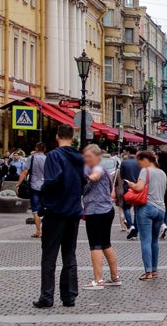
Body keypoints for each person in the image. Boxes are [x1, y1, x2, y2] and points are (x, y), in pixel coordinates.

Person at [33, 125, 85, 309]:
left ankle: (47, 296)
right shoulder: (79, 157)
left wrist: (43, 192)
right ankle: (69, 296)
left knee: (49, 256)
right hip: (73, 211)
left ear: (57, 137)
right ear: (72, 137)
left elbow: (53, 180)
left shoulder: (54, 156)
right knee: (69, 255)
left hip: (55, 211)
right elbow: (84, 181)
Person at [80, 144, 120, 289]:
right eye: (85, 156)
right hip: (106, 210)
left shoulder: (97, 169)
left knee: (95, 245)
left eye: (89, 156)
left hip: (96, 212)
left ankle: (98, 280)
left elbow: (94, 177)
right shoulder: (96, 169)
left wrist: (85, 177)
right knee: (105, 244)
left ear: (97, 157)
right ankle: (115, 276)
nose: (86, 159)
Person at [133, 149, 167, 281]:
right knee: (154, 240)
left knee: (145, 240)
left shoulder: (145, 171)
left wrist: (132, 185)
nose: (140, 165)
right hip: (161, 209)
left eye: (140, 162)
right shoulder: (162, 173)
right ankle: (154, 269)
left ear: (146, 160)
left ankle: (148, 272)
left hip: (147, 207)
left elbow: (139, 188)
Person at [26, 143, 48, 238]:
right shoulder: (48, 159)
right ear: (44, 149)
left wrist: (18, 184)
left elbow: (25, 171)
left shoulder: (31, 158)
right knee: (45, 208)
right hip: (45, 186)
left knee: (35, 209)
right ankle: (45, 230)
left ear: (36, 148)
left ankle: (39, 231)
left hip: (34, 185)